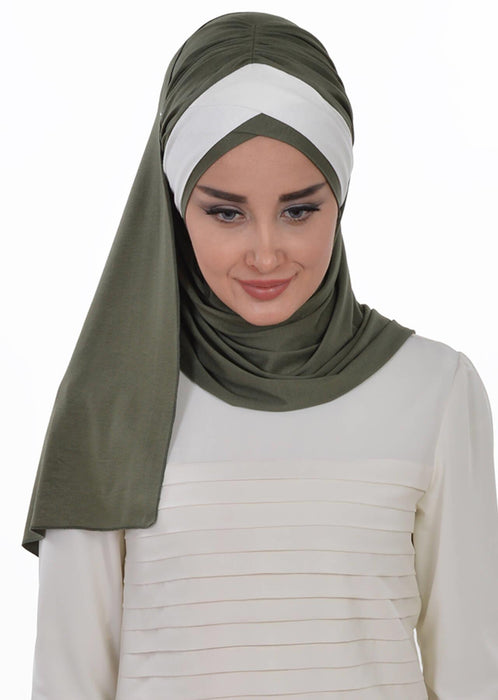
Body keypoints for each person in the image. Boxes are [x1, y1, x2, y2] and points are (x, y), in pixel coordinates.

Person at [24, 11, 498, 700]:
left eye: (299, 210)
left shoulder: (437, 390)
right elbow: (68, 684)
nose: (267, 254)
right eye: (226, 212)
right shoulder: (113, 402)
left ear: (340, 200)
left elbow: (473, 673)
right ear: (176, 206)